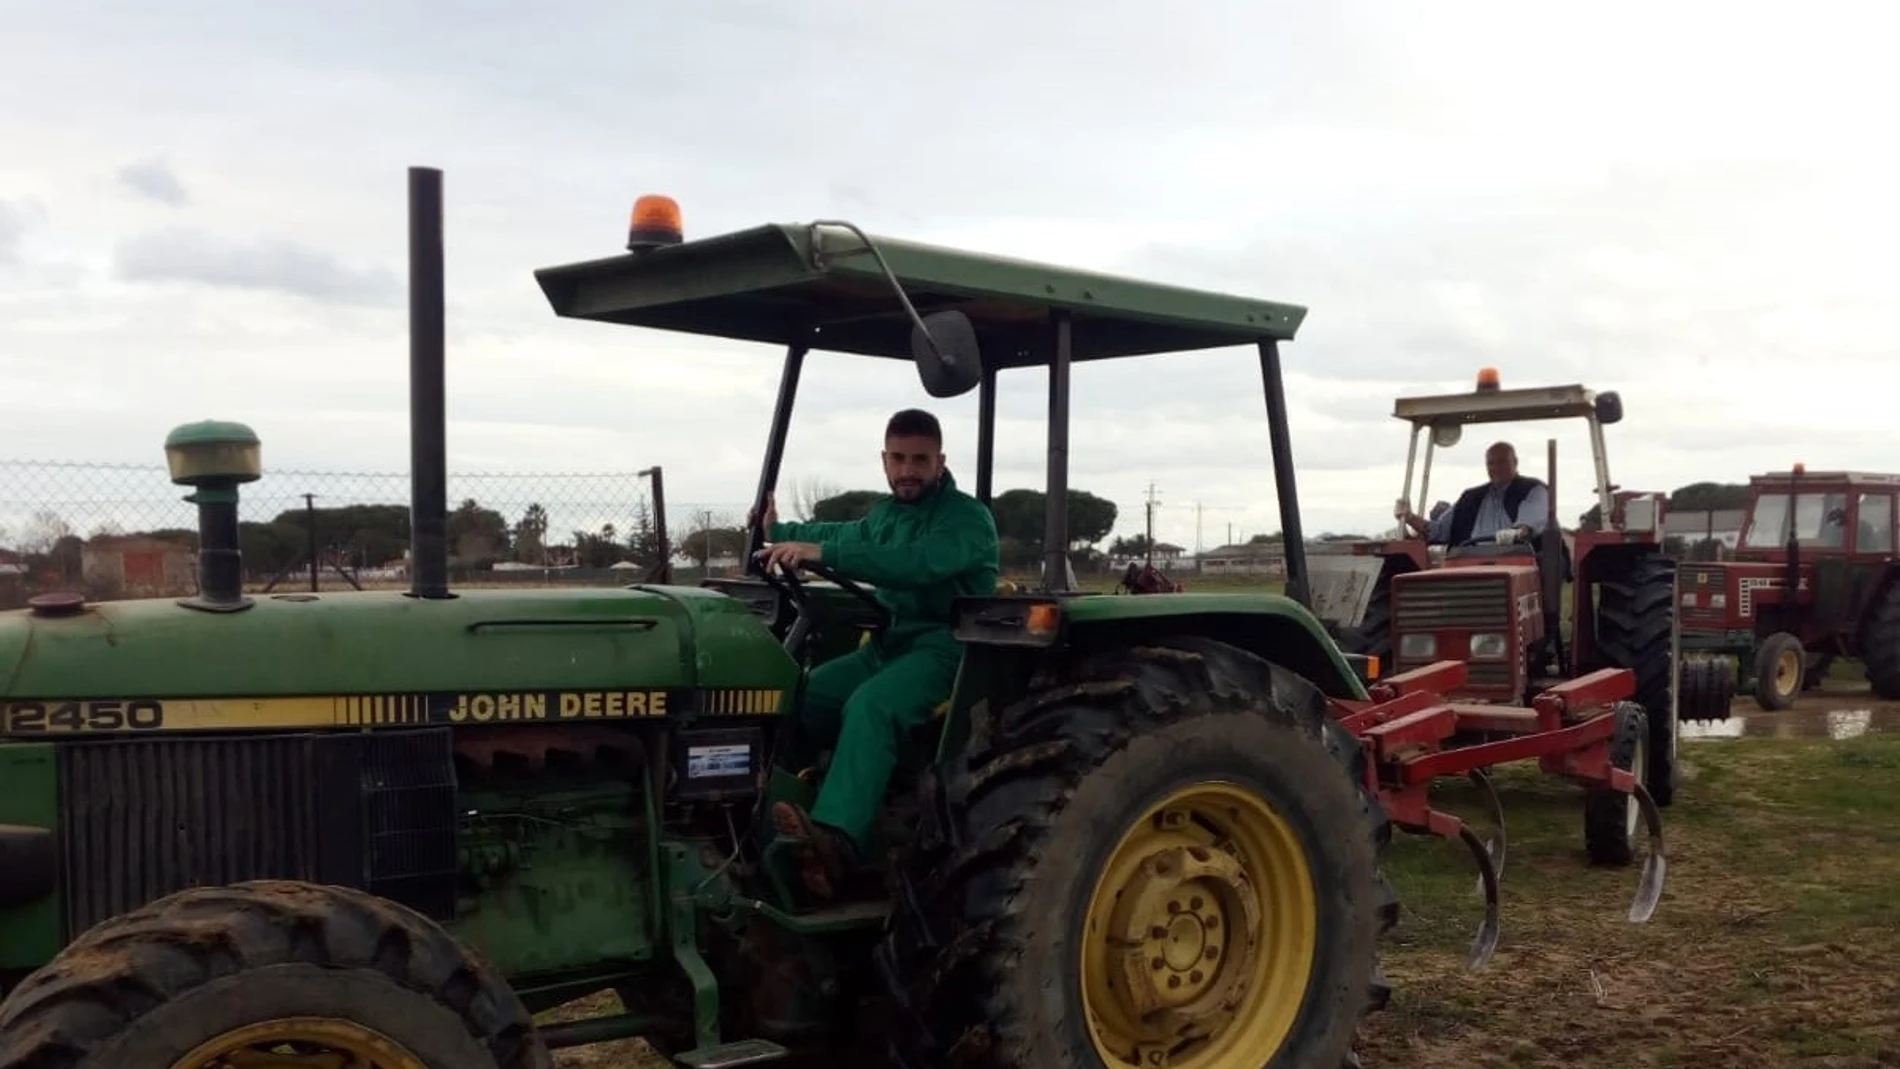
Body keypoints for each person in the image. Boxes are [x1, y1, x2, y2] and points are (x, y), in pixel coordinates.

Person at [751, 408, 1000, 898]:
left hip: (948, 648)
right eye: (899, 459)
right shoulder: (884, 515)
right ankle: (774, 803)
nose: (908, 470)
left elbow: (914, 564)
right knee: (797, 694)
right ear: (884, 460)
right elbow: (840, 536)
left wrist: (824, 555)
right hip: (888, 644)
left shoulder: (967, 519)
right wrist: (779, 531)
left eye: (920, 460)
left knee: (872, 705)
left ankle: (836, 842)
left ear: (940, 461)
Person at [1397, 441, 1551, 546]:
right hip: (1469, 559)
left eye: (1502, 462)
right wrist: (1409, 517)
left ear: (1515, 462)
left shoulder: (1533, 490)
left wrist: (1518, 533)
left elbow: (1528, 526)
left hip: (1515, 558)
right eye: (1491, 463)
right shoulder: (1469, 498)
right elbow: (1439, 531)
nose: (1496, 467)